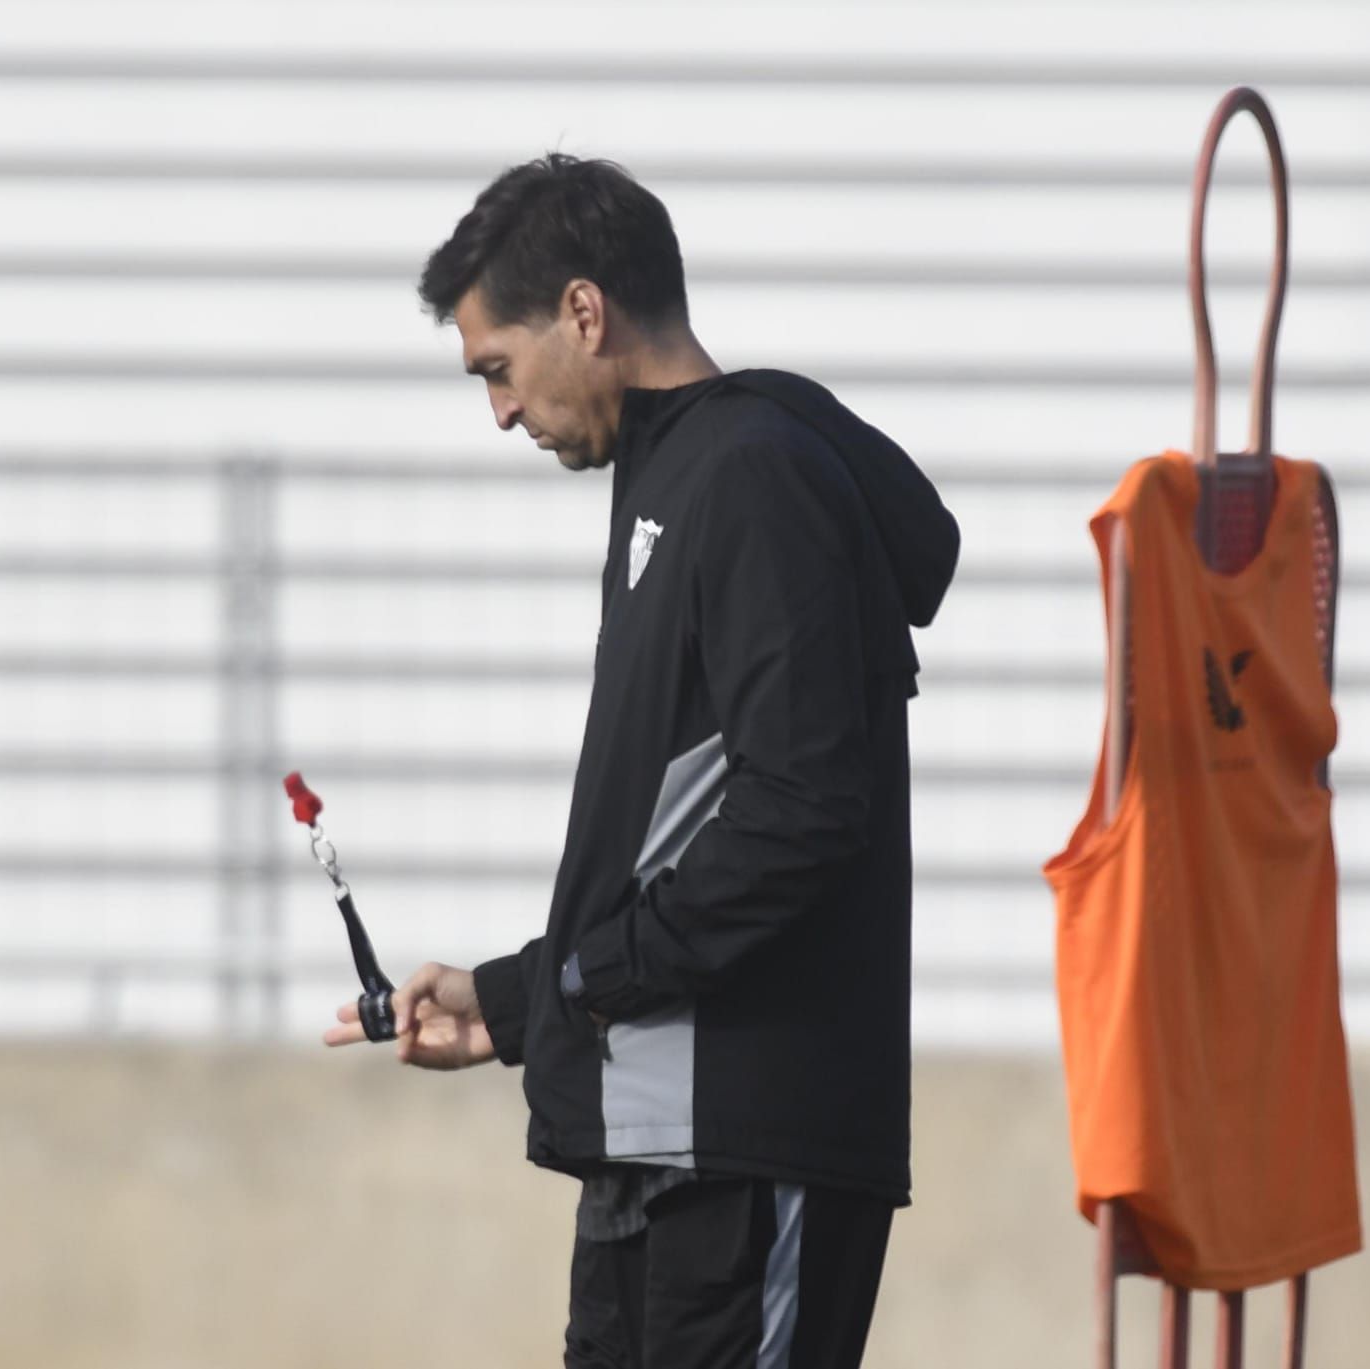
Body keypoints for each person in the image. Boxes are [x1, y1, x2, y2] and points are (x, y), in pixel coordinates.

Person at [322, 153, 959, 1369]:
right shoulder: (673, 476)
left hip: (739, 1147)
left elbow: (802, 809)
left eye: (496, 370)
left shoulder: (754, 475)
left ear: (581, 311)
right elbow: (671, 825)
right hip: (650, 1142)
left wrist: (590, 980)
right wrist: (518, 1001)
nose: (500, 410)